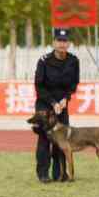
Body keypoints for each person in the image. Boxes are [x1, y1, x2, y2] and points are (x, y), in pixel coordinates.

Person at [33, 27, 80, 183]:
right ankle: (43, 174)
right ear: (53, 43)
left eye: (65, 41)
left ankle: (60, 174)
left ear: (69, 44)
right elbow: (39, 86)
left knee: (62, 141)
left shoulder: (74, 61)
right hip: (45, 105)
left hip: (62, 104)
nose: (62, 44)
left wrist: (66, 99)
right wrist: (53, 102)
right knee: (45, 140)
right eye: (59, 41)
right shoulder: (44, 61)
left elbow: (73, 84)